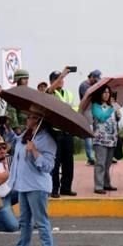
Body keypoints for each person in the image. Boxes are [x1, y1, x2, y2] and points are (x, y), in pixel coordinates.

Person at [4, 111, 57, 246]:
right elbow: (14, 145)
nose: (28, 119)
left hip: (37, 186)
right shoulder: (27, 136)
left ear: (40, 121)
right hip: (22, 184)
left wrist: (35, 151)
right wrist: (8, 130)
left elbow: (48, 166)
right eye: (28, 116)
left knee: (41, 222)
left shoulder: (47, 140)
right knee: (24, 222)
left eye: (32, 117)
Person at [46, 68, 77, 197]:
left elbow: (74, 108)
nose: (61, 81)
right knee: (56, 162)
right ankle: (54, 189)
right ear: (52, 81)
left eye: (62, 79)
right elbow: (49, 91)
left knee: (68, 162)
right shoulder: (50, 93)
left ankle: (66, 187)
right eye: (57, 79)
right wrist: (63, 73)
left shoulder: (68, 93)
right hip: (55, 132)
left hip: (67, 131)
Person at [89, 85, 121, 193]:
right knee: (100, 163)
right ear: (100, 94)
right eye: (104, 92)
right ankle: (98, 186)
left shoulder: (112, 106)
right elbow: (101, 117)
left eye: (108, 92)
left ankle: (106, 183)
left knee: (107, 164)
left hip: (111, 139)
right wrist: (112, 108)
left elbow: (117, 118)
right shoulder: (95, 106)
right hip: (100, 139)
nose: (107, 94)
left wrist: (117, 111)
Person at [78, 69, 102, 165]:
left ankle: (98, 156)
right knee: (88, 134)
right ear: (91, 77)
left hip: (94, 110)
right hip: (86, 110)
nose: (96, 81)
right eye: (95, 79)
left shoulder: (95, 85)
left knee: (97, 133)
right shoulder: (84, 85)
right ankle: (90, 157)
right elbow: (88, 97)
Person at [3, 69, 30, 134]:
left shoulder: (28, 92)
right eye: (24, 79)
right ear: (18, 79)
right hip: (19, 127)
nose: (26, 81)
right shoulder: (14, 93)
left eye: (27, 78)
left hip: (28, 125)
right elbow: (12, 112)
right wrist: (16, 127)